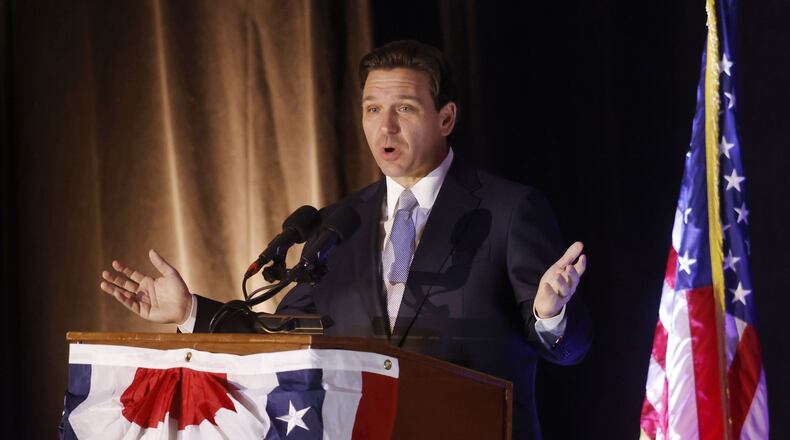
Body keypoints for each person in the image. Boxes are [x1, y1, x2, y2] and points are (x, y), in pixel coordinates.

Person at [100, 40, 592, 439]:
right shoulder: (341, 223)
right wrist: (190, 312)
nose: (386, 126)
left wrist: (551, 313)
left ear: (446, 118)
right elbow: (286, 341)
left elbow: (570, 350)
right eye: (372, 108)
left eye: (404, 107)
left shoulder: (508, 211)